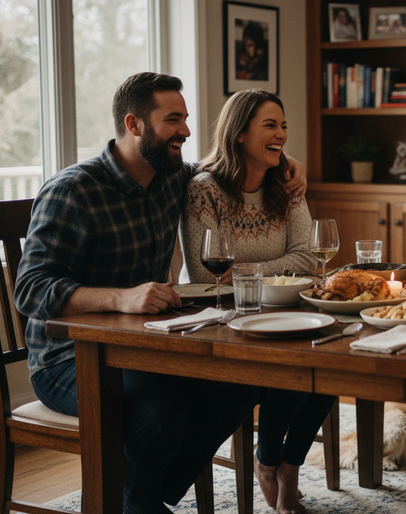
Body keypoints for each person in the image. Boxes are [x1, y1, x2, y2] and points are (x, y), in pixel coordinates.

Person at [13, 72, 306, 513]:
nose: (186, 131)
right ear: (134, 125)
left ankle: (144, 501)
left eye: (186, 119)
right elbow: (30, 289)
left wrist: (284, 163)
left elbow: (228, 167)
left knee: (243, 383)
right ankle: (140, 504)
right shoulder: (73, 190)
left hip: (144, 344)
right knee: (160, 415)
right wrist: (120, 297)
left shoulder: (172, 178)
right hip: (70, 359)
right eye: (173, 120)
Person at [179, 89, 331, 514]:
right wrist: (275, 272)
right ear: (240, 132)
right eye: (271, 125)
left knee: (333, 365)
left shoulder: (287, 184)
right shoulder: (204, 191)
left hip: (285, 312)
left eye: (284, 125)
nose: (282, 134)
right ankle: (272, 466)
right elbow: (208, 275)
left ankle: (284, 465)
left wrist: (245, 271)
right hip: (229, 321)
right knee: (290, 366)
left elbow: (308, 255)